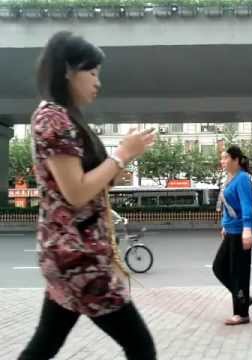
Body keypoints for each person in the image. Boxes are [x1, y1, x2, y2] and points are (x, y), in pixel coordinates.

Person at [18, 31, 157, 360]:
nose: (98, 83)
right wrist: (121, 155)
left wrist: (122, 161)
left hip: (70, 255)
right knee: (140, 345)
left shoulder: (64, 117)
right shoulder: (52, 118)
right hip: (78, 258)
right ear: (68, 70)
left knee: (45, 344)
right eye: (92, 73)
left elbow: (87, 186)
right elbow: (76, 192)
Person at [213, 145, 252, 326]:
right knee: (219, 267)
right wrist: (224, 225)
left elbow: (247, 205)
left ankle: (241, 313)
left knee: (239, 273)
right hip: (231, 229)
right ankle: (244, 298)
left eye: (225, 158)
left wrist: (247, 229)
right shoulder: (229, 179)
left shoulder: (243, 179)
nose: (222, 161)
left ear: (236, 160)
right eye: (221, 158)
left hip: (241, 231)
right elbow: (226, 207)